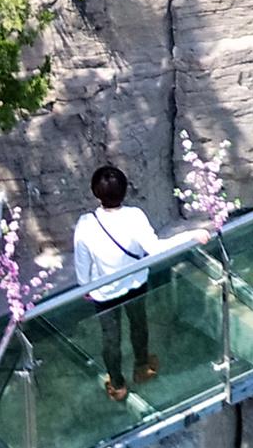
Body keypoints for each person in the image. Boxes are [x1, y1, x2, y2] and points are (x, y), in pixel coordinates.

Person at [69, 164, 202, 401]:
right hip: (135, 283)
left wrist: (85, 286)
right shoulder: (134, 216)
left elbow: (82, 263)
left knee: (111, 338)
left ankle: (118, 385)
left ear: (95, 193)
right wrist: (190, 235)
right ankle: (142, 367)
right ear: (124, 190)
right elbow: (156, 249)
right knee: (139, 324)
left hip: (103, 292)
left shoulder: (86, 224)